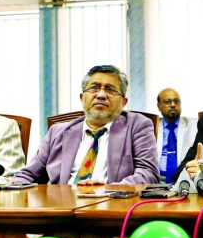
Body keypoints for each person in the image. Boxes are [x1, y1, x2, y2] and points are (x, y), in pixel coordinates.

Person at [13, 65, 158, 185]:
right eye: (94, 88)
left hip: (112, 207)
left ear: (123, 103)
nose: (101, 95)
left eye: (110, 89)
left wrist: (111, 189)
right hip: (61, 210)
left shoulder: (138, 126)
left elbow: (148, 173)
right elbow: (27, 174)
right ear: (82, 98)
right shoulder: (57, 132)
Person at [156, 88, 198, 183]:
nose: (173, 105)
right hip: (156, 181)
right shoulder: (151, 127)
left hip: (186, 179)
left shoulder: (195, 125)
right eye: (167, 102)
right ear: (158, 106)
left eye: (176, 101)